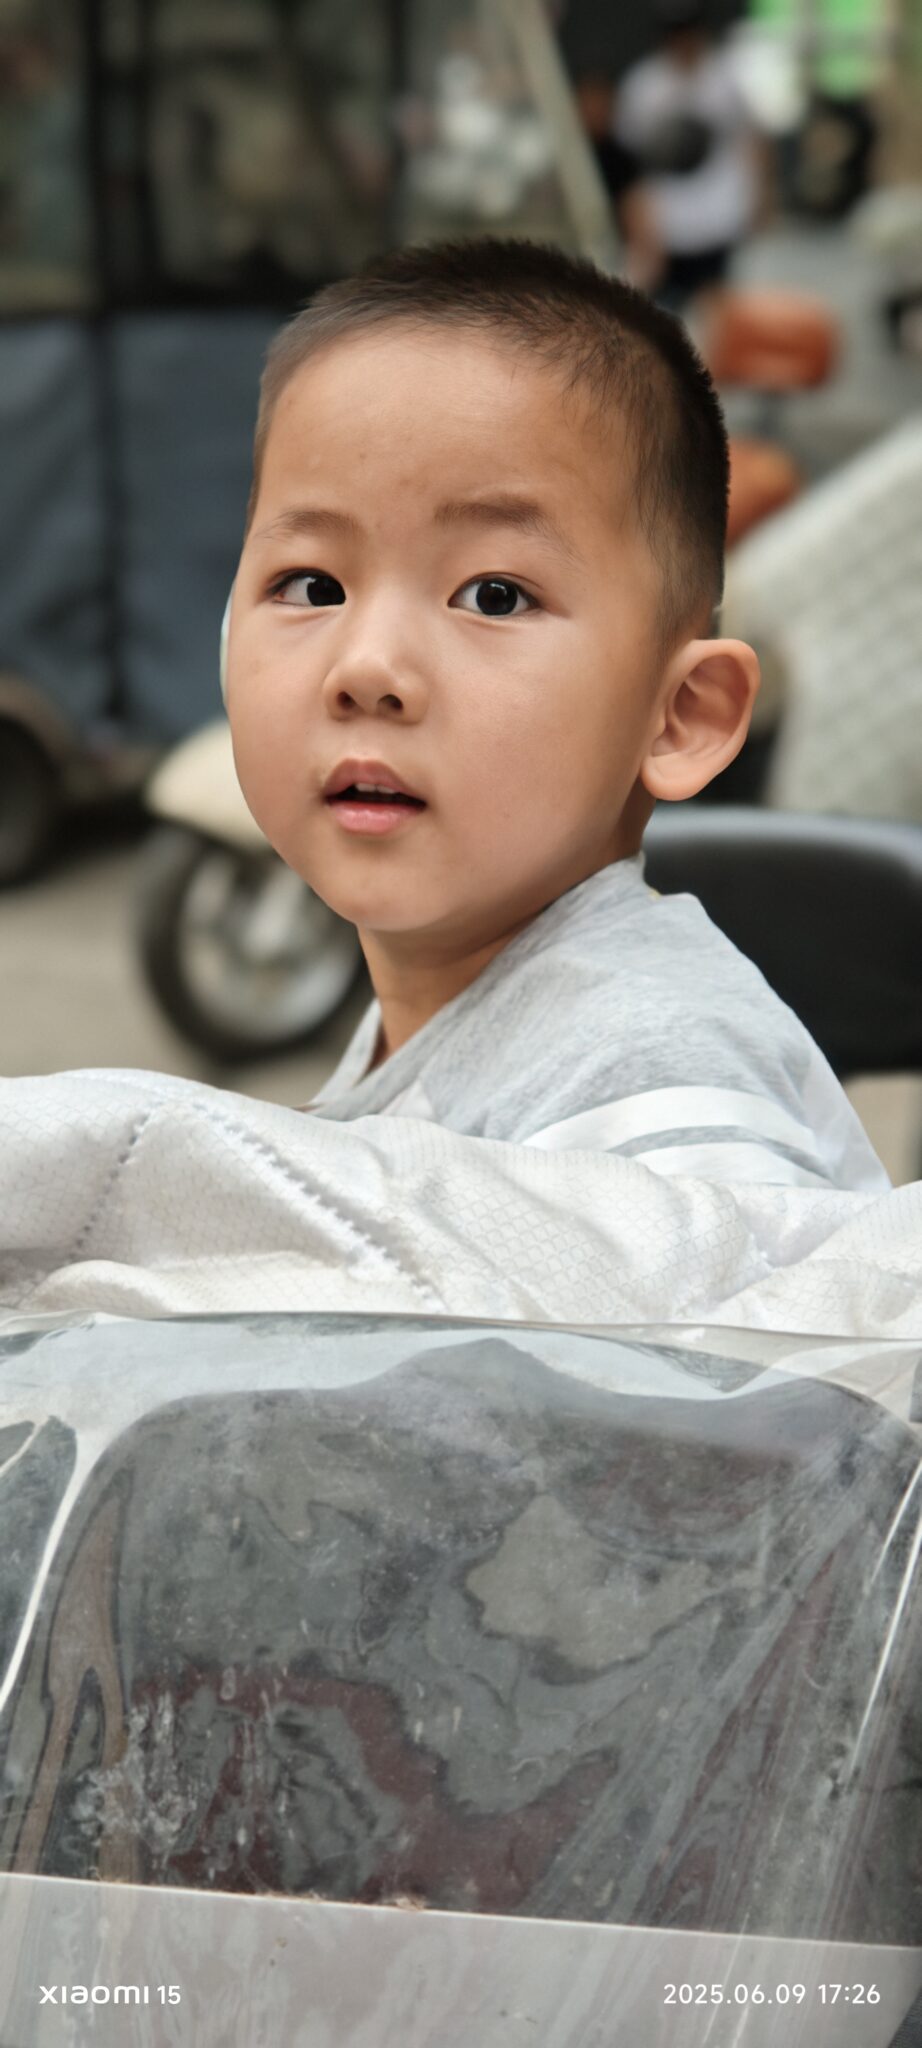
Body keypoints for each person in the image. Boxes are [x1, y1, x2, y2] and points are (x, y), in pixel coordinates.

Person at [223, 234, 886, 1193]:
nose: (366, 668)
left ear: (678, 717)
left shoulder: (650, 1089)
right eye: (312, 584)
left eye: (493, 596)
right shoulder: (445, 1007)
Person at [611, 1, 767, 310]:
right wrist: (638, 219)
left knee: (718, 307)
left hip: (719, 215)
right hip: (666, 220)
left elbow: (749, 140)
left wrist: (760, 196)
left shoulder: (724, 77)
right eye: (676, 34)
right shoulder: (643, 85)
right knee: (663, 308)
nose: (683, 42)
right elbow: (629, 159)